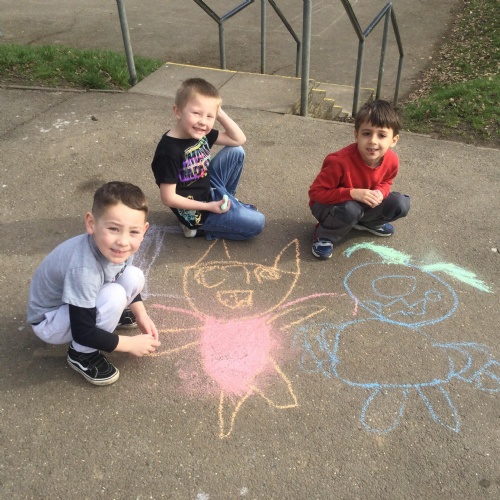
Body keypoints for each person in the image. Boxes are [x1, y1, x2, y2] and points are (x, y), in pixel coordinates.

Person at [27, 181, 161, 386]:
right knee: (114, 296)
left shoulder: (119, 248)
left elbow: (122, 273)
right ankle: (81, 354)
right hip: (49, 322)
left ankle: (108, 315)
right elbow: (83, 331)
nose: (123, 241)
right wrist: (129, 344)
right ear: (91, 223)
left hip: (75, 302)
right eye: (114, 229)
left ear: (143, 230)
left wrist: (141, 314)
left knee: (134, 275)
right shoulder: (84, 269)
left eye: (133, 232)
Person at [151, 77, 265, 240]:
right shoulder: (168, 151)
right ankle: (199, 229)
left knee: (236, 151)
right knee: (257, 223)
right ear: (177, 111)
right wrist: (209, 206)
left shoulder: (200, 132)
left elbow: (238, 139)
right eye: (196, 113)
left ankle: (227, 201)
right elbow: (168, 198)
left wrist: (218, 112)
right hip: (197, 211)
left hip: (208, 187)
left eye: (209, 116)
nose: (203, 122)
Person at [308, 99, 410, 259]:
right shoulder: (339, 161)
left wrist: (381, 192)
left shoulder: (392, 160)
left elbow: (387, 182)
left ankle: (367, 223)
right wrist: (352, 193)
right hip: (330, 207)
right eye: (366, 133)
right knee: (351, 209)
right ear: (356, 135)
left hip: (360, 204)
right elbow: (316, 193)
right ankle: (325, 235)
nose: (373, 141)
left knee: (400, 203)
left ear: (393, 140)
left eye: (382, 135)